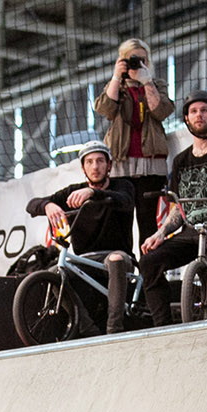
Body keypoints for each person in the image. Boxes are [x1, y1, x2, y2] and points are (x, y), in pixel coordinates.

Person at [139, 92, 207, 326]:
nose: (199, 115)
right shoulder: (180, 161)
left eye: (204, 110)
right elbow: (178, 209)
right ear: (187, 120)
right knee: (150, 261)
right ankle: (163, 327)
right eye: (193, 111)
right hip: (190, 233)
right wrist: (160, 234)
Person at [25, 143, 136, 334]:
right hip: (86, 260)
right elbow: (31, 205)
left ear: (109, 165)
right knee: (55, 272)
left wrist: (93, 193)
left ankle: (114, 329)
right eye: (90, 162)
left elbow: (125, 200)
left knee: (116, 259)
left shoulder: (123, 186)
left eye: (100, 161)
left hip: (118, 256)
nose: (95, 167)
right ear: (83, 167)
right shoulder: (72, 192)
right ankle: (87, 328)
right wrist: (47, 206)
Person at [94, 38, 174, 246]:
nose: (137, 63)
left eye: (142, 59)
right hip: (121, 164)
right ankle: (124, 273)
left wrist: (146, 81)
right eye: (131, 59)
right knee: (120, 225)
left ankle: (150, 274)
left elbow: (161, 111)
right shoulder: (116, 88)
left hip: (151, 166)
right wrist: (116, 76)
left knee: (149, 226)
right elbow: (105, 110)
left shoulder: (158, 85)